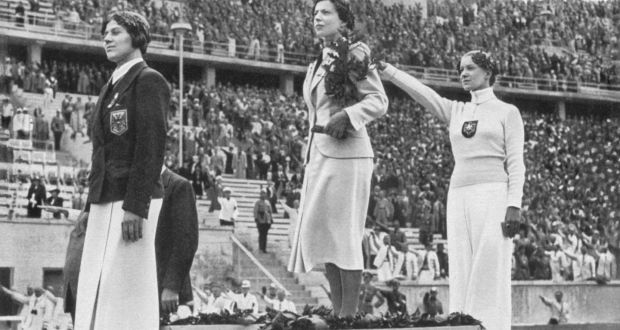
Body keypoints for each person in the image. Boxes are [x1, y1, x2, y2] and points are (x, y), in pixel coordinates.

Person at [379, 50, 525, 330]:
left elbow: (516, 162)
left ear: (488, 73)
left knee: (490, 264)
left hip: (494, 193)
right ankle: (464, 325)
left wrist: (513, 204)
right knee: (461, 265)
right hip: (458, 195)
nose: (463, 73)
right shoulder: (456, 110)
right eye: (460, 69)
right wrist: (389, 71)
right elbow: (424, 93)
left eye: (470, 68)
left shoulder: (508, 112)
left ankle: (492, 326)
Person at [287, 0, 388, 318]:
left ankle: (349, 313)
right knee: (327, 234)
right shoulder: (318, 60)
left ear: (344, 21)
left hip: (348, 155)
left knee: (344, 234)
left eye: (326, 12)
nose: (317, 17)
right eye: (315, 13)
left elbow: (379, 100)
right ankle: (338, 310)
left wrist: (347, 115)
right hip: (320, 154)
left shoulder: (356, 52)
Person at [73, 11, 169, 330]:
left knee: (129, 288)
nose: (107, 37)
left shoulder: (148, 80)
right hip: (105, 197)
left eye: (115, 32)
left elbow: (150, 146)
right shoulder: (110, 86)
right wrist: (90, 205)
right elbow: (100, 152)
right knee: (97, 285)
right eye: (105, 33)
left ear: (136, 38)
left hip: (130, 201)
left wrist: (135, 206)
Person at [156, 166, 199, 318]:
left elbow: (186, 239)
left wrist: (172, 286)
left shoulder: (179, 185)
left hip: (169, 293)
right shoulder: (138, 188)